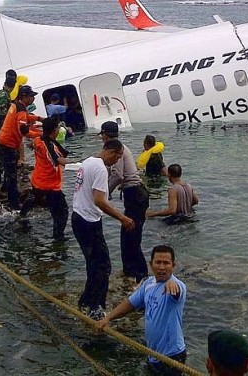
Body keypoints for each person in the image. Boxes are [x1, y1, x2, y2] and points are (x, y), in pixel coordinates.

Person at [97, 245, 187, 375]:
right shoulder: (148, 284)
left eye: (166, 263)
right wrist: (107, 318)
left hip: (172, 356)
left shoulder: (177, 286)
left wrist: (173, 285)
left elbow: (177, 292)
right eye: (158, 262)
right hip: (152, 353)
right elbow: (130, 304)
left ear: (173, 266)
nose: (162, 267)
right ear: (151, 264)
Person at [71, 138, 135, 319]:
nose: (117, 161)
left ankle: (85, 300)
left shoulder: (87, 162)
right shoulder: (100, 168)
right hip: (88, 221)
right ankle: (96, 307)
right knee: (103, 266)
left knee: (93, 263)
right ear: (110, 151)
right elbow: (99, 200)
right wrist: (122, 217)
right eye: (117, 156)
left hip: (78, 216)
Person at [101, 120, 149, 281]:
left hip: (135, 194)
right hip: (135, 194)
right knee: (127, 235)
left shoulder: (117, 150)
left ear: (104, 136)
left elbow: (118, 175)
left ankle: (142, 275)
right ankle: (129, 271)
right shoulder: (121, 147)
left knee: (132, 236)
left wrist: (105, 193)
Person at [19, 116, 70, 240]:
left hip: (37, 181)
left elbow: (32, 144)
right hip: (50, 186)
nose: (59, 129)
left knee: (38, 199)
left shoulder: (39, 140)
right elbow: (58, 159)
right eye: (57, 127)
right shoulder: (49, 145)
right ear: (54, 130)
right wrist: (80, 164)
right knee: (62, 212)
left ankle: (23, 214)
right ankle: (58, 239)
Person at [0, 84, 42, 210]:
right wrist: (41, 135)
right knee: (12, 174)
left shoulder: (16, 105)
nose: (33, 99)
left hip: (3, 140)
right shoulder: (20, 109)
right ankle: (14, 206)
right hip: (8, 144)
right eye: (31, 96)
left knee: (8, 168)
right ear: (24, 96)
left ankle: (5, 188)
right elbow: (23, 130)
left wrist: (39, 118)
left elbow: (25, 118)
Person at [0, 69, 17, 186]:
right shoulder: (4, 96)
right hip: (1, 129)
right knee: (2, 152)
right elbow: (2, 114)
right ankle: (0, 176)